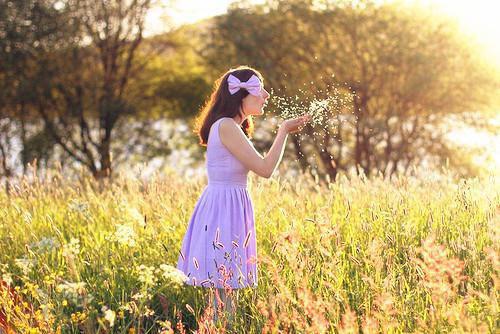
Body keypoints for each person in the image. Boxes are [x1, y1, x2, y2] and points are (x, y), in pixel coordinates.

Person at [176, 65, 311, 324]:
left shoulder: (230, 126)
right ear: (241, 94)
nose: (267, 95)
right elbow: (265, 169)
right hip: (223, 213)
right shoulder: (226, 126)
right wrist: (282, 131)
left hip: (229, 208)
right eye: (260, 89)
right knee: (224, 296)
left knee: (225, 296)